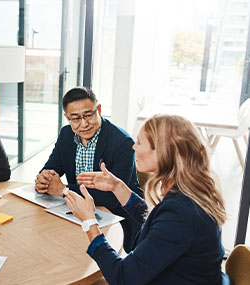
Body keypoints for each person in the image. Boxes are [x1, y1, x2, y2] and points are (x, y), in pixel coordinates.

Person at [66, 115, 227, 284]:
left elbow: (123, 278)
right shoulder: (190, 192)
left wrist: (89, 222)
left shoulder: (181, 214)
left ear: (163, 152)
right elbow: (158, 221)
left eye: (140, 142)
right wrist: (117, 187)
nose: (134, 146)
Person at [35, 87, 141, 252]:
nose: (83, 124)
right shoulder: (66, 134)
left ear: (98, 109)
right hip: (76, 215)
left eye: (88, 115)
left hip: (116, 218)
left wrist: (63, 190)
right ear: (67, 118)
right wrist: (44, 179)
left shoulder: (123, 142)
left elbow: (112, 197)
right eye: (75, 118)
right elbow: (52, 168)